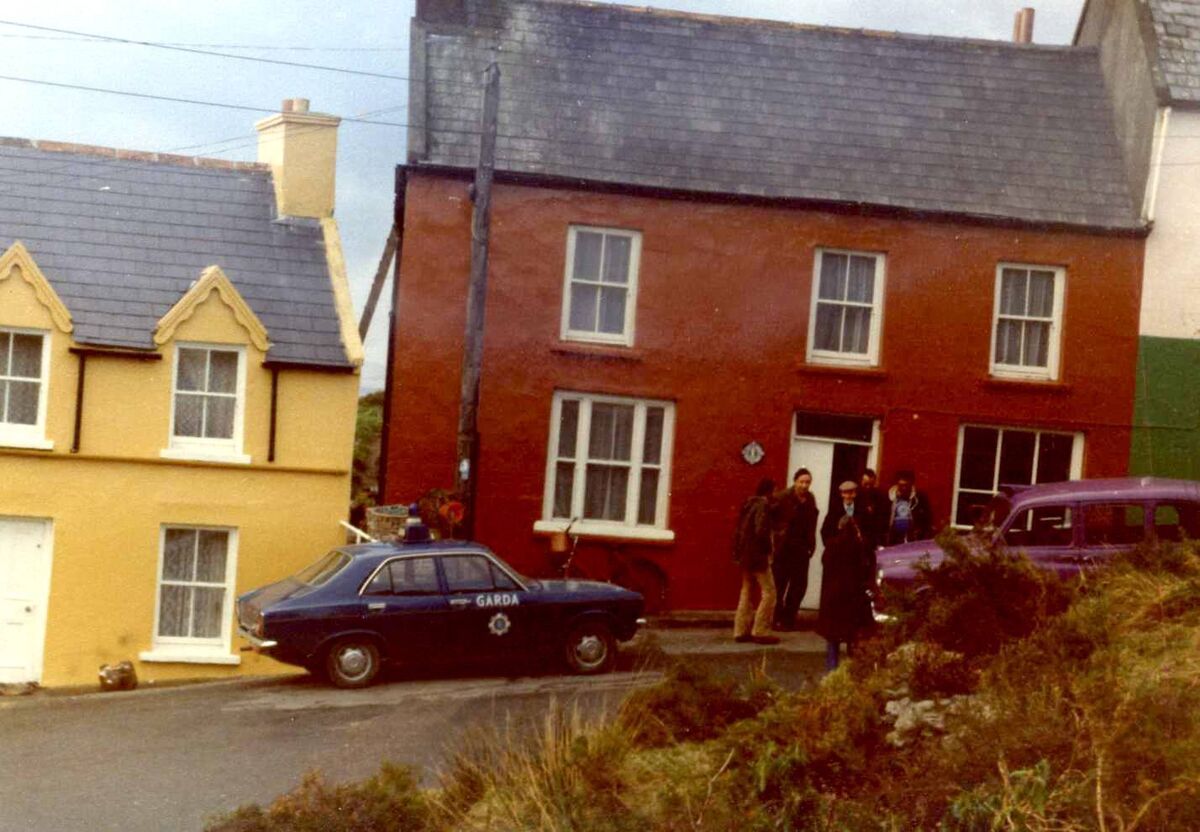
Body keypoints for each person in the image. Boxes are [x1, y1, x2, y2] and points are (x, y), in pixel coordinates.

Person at [817, 480, 874, 671]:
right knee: (834, 628)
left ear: (855, 494)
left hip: (854, 577)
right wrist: (838, 538)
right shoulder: (834, 512)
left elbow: (870, 539)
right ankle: (832, 666)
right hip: (836, 577)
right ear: (841, 494)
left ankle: (851, 665)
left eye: (851, 493)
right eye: (845, 493)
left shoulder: (863, 512)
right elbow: (825, 535)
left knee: (853, 627)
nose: (848, 496)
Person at [732, 478, 781, 645]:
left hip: (745, 555)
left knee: (746, 590)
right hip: (758, 556)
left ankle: (740, 630)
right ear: (769, 491)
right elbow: (761, 531)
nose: (776, 494)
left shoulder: (748, 504)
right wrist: (767, 551)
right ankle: (760, 630)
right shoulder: (763, 506)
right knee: (770, 592)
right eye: (775, 490)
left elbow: (739, 531)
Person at [770, 468, 819, 631]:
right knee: (779, 585)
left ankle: (789, 619)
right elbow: (770, 519)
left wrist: (811, 545)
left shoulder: (810, 499)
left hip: (802, 548)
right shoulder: (782, 497)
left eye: (807, 482)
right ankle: (776, 618)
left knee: (799, 586)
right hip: (784, 549)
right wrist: (777, 537)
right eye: (801, 482)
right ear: (795, 481)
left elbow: (812, 522)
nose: (804, 485)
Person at [887, 469, 933, 545]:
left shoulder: (920, 499)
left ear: (911, 484)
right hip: (894, 538)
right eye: (901, 485)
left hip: (912, 538)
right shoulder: (889, 499)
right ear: (897, 484)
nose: (904, 488)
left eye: (906, 485)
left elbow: (927, 520)